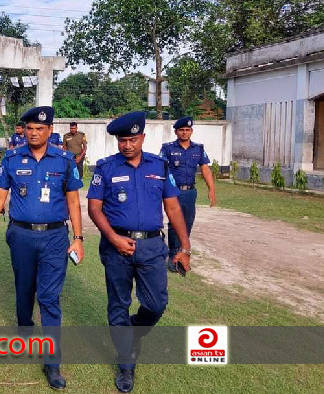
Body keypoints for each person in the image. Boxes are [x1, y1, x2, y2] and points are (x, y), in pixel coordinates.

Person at [0, 106, 85, 390]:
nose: (34, 133)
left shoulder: (64, 161)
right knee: (24, 287)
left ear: (50, 131)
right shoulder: (13, 158)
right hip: (21, 235)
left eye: (40, 128)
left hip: (54, 238)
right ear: (25, 130)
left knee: (50, 297)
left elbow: (74, 201)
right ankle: (24, 325)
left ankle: (52, 363)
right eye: (30, 128)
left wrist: (78, 237)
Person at [86, 111, 191, 393]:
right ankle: (126, 365)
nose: (127, 145)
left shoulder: (159, 166)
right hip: (116, 246)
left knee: (156, 304)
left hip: (151, 247)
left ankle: (132, 331)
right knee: (118, 305)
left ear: (142, 138)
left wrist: (184, 247)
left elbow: (172, 208)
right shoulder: (106, 168)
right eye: (123, 140)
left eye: (132, 139)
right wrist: (113, 238)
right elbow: (94, 208)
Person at [160, 116, 217, 271]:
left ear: (191, 131)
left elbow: (205, 169)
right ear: (176, 132)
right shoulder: (168, 148)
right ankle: (173, 256)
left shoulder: (198, 148)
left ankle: (183, 253)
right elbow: (162, 168)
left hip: (190, 192)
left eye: (187, 130)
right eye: (181, 130)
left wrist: (211, 189)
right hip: (173, 192)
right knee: (174, 223)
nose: (185, 133)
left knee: (188, 222)